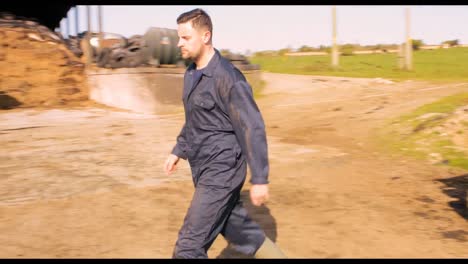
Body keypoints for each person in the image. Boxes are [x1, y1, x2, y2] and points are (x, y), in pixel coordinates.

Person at [163, 8, 286, 259]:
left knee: (189, 246)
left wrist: (260, 178)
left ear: (205, 36)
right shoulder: (191, 73)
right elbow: (195, 120)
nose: (179, 43)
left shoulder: (229, 78)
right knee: (239, 229)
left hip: (222, 170)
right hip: (203, 166)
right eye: (179, 37)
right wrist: (178, 150)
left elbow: (252, 126)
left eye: (185, 38)